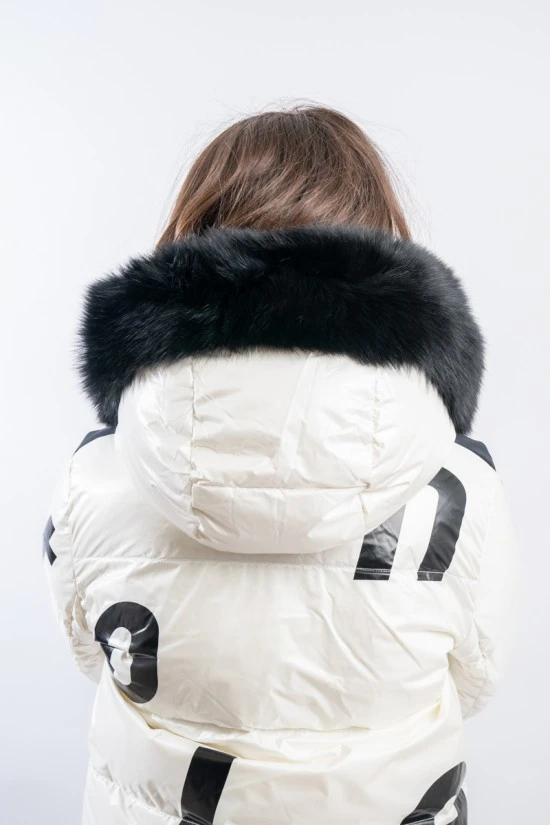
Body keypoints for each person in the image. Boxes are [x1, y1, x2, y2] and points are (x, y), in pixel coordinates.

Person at [44, 105, 520, 825]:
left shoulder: (95, 478)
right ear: (379, 249)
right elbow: (478, 679)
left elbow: (94, 652)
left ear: (193, 238)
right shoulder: (463, 485)